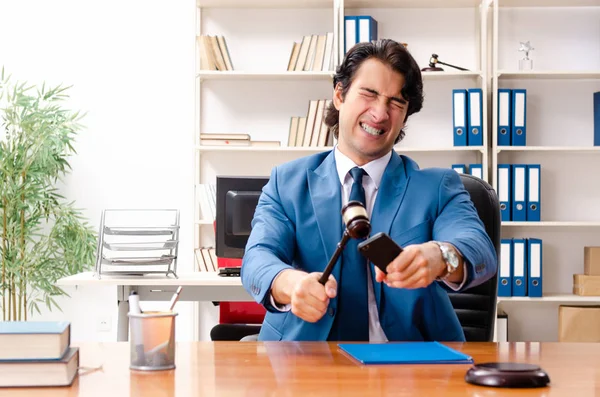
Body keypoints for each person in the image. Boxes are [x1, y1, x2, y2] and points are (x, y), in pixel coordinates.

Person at [241, 38, 497, 342]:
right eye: (369, 94)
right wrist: (290, 283)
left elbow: (480, 250)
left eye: (396, 103)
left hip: (409, 365)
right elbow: (258, 258)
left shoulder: (439, 187)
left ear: (405, 116)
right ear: (339, 94)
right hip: (306, 357)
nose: (379, 113)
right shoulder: (287, 182)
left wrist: (441, 256)